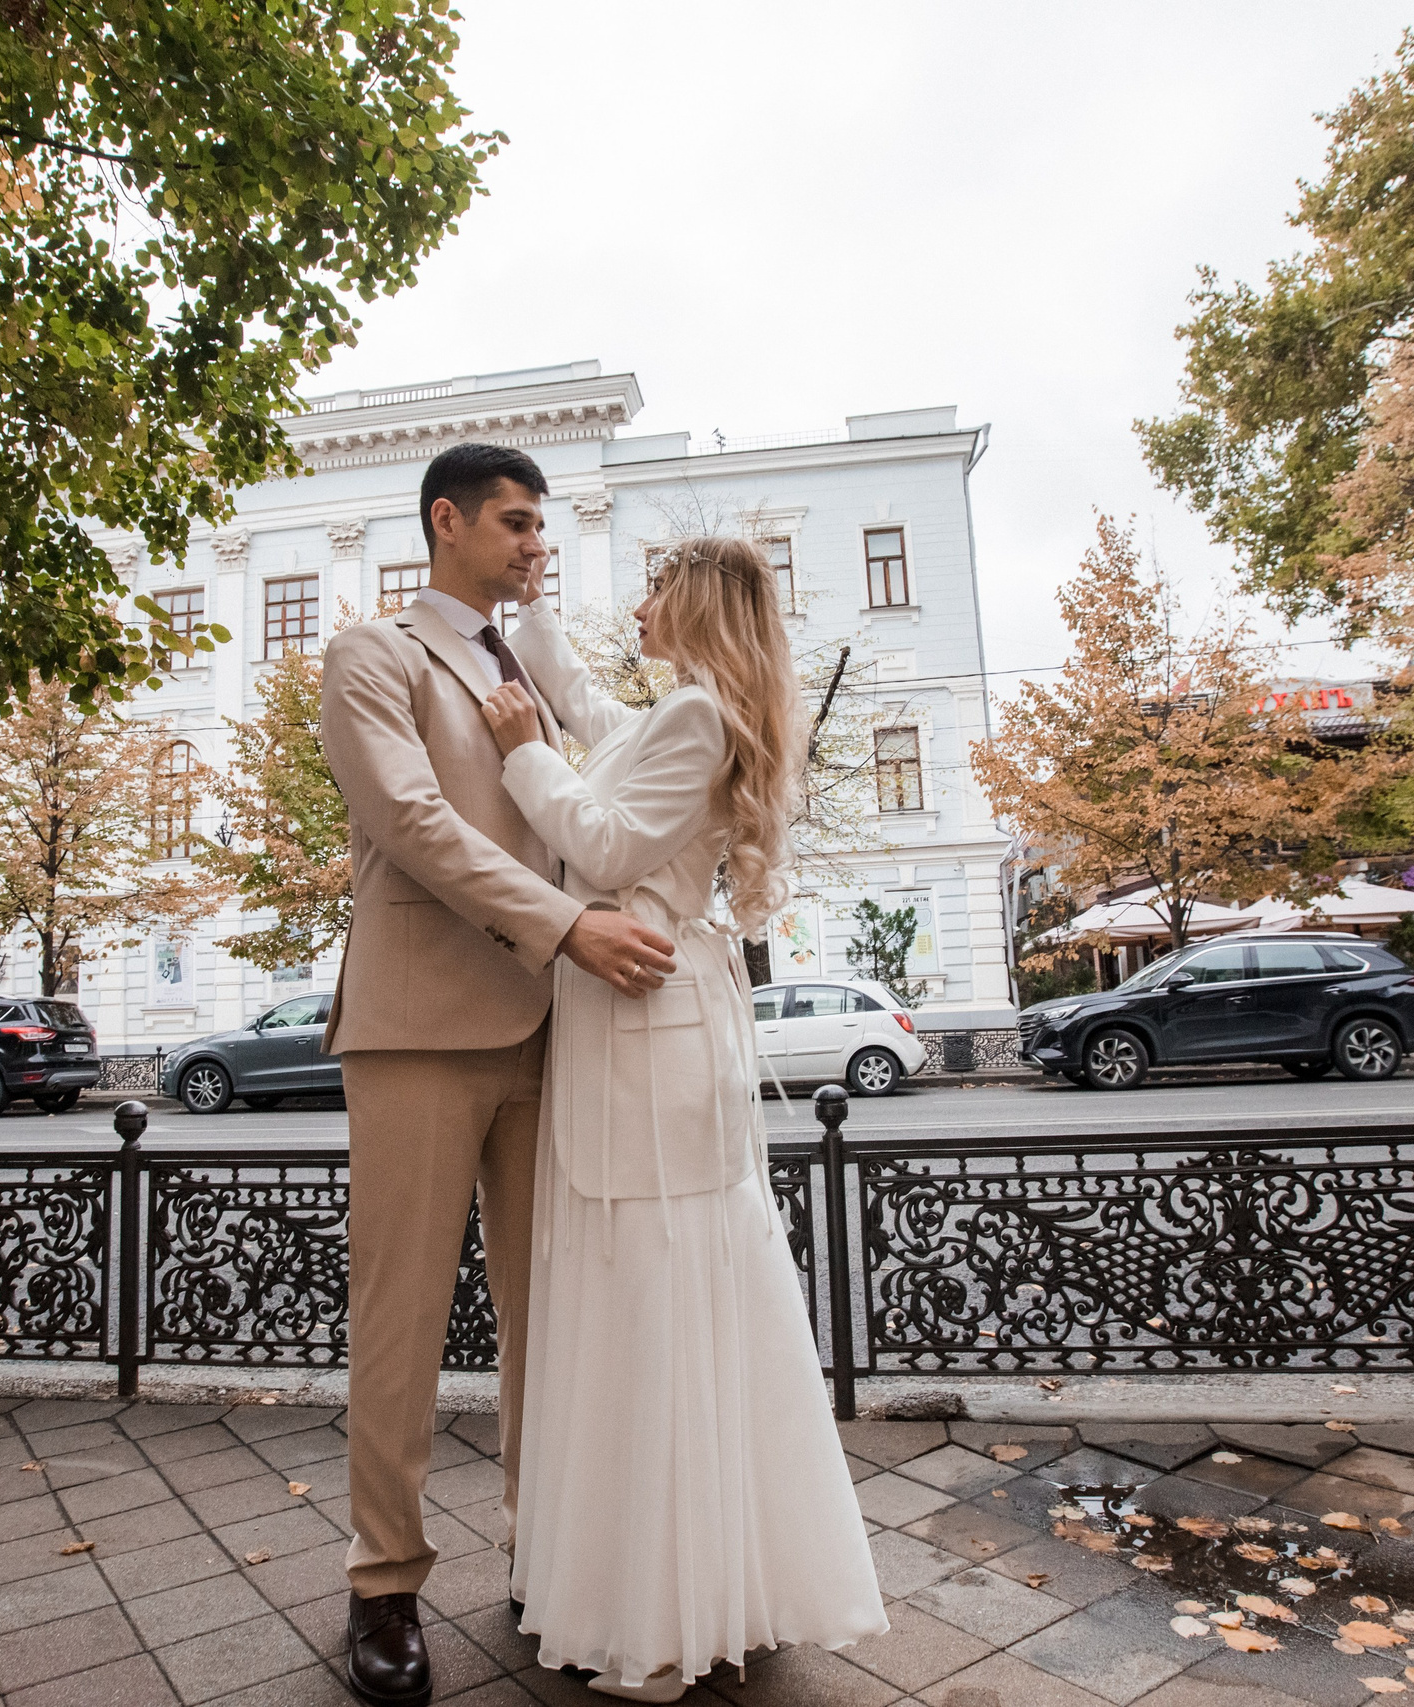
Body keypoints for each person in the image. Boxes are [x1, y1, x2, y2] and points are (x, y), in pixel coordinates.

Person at [480, 537, 887, 1701]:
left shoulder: (698, 720)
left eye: (655, 590)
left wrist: (520, 756)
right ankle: (699, 1579)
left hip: (645, 1023)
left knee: (650, 1289)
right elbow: (602, 719)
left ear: (695, 606)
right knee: (669, 1290)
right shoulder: (691, 716)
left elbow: (597, 843)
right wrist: (537, 617)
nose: (641, 606)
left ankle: (659, 1623)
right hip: (651, 1020)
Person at [318, 442, 678, 1707]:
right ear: (447, 522)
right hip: (419, 1024)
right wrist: (569, 926)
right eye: (516, 523)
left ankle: (546, 1552)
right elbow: (415, 828)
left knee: (551, 1321)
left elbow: (602, 808)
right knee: (402, 1320)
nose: (537, 543)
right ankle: (383, 1587)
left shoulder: (534, 668)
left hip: (556, 1030)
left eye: (540, 525)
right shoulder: (372, 655)